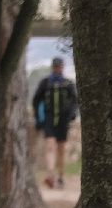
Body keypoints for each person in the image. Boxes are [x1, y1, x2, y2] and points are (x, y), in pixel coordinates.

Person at [33, 56, 79, 189]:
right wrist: (38, 119)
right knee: (50, 146)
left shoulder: (68, 83)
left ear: (62, 67)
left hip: (63, 120)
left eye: (59, 66)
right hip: (49, 118)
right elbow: (36, 100)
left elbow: (75, 100)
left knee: (61, 149)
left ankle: (60, 177)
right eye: (55, 66)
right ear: (52, 67)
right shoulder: (45, 83)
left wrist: (72, 114)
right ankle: (50, 176)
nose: (57, 68)